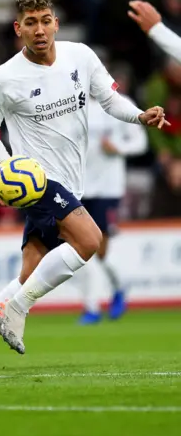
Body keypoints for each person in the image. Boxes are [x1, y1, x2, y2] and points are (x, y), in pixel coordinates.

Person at [0, 0, 168, 378]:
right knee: (89, 240)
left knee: (28, 274)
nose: (39, 29)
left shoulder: (80, 56)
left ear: (56, 23)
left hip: (72, 181)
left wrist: (139, 116)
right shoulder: (4, 79)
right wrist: (10, 166)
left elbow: (108, 98)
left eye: (45, 20)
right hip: (39, 182)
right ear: (18, 28)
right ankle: (17, 309)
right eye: (30, 23)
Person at [78, 90, 148, 325]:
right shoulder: (72, 104)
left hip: (107, 188)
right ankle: (105, 298)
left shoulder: (120, 104)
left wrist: (118, 147)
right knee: (83, 249)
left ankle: (96, 306)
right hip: (78, 187)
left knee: (96, 249)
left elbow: (140, 142)